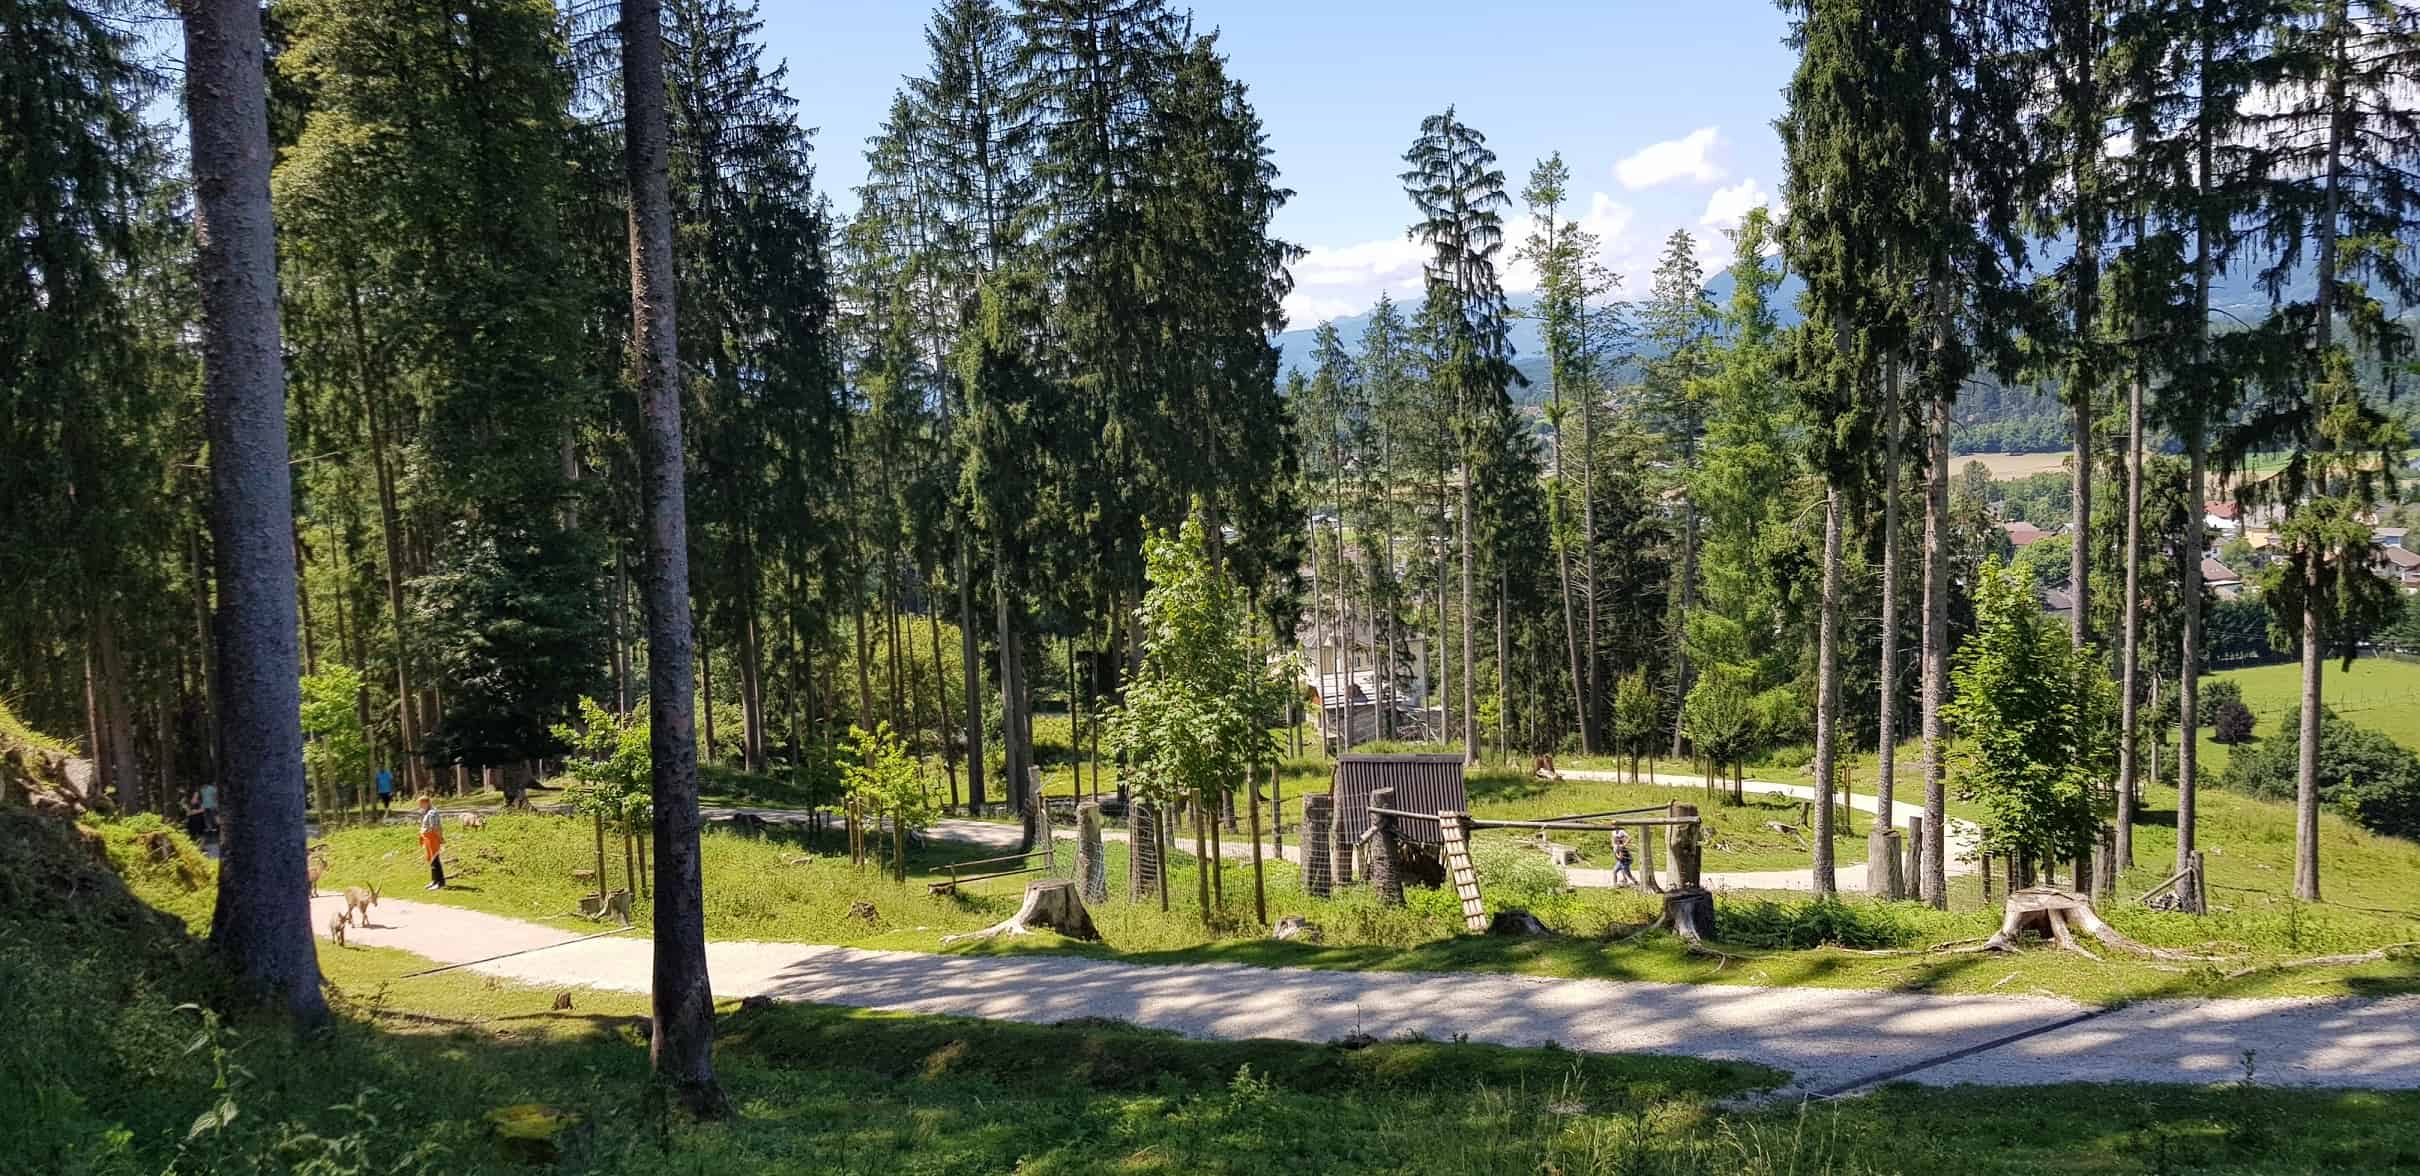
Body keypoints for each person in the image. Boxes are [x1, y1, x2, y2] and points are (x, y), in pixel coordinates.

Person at [417, 794, 446, 890]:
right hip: (427, 839)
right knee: (432, 861)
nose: (420, 806)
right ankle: (434, 881)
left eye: (421, 804)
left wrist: (440, 838)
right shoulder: (426, 812)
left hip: (433, 838)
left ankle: (440, 882)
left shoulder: (432, 813)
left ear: (427, 803)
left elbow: (435, 827)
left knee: (435, 860)